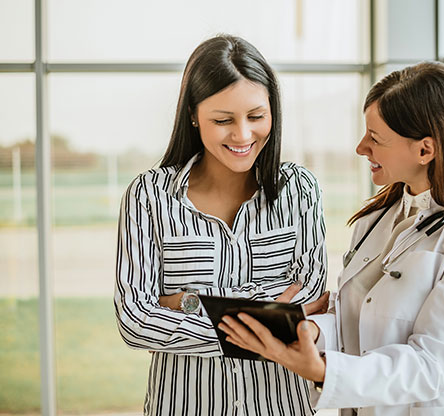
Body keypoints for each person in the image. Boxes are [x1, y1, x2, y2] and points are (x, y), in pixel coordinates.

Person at [219, 61, 444, 416]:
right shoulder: (375, 220)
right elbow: (358, 320)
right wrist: (310, 333)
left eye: (375, 138)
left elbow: (433, 364)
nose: (361, 148)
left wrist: (324, 371)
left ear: (425, 150)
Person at [114, 34, 328, 416]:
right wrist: (265, 319)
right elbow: (135, 320)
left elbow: (312, 296)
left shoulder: (300, 189)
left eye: (256, 116)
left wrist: (185, 304)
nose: (243, 135)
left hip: (282, 406)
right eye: (223, 120)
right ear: (193, 115)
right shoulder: (149, 196)